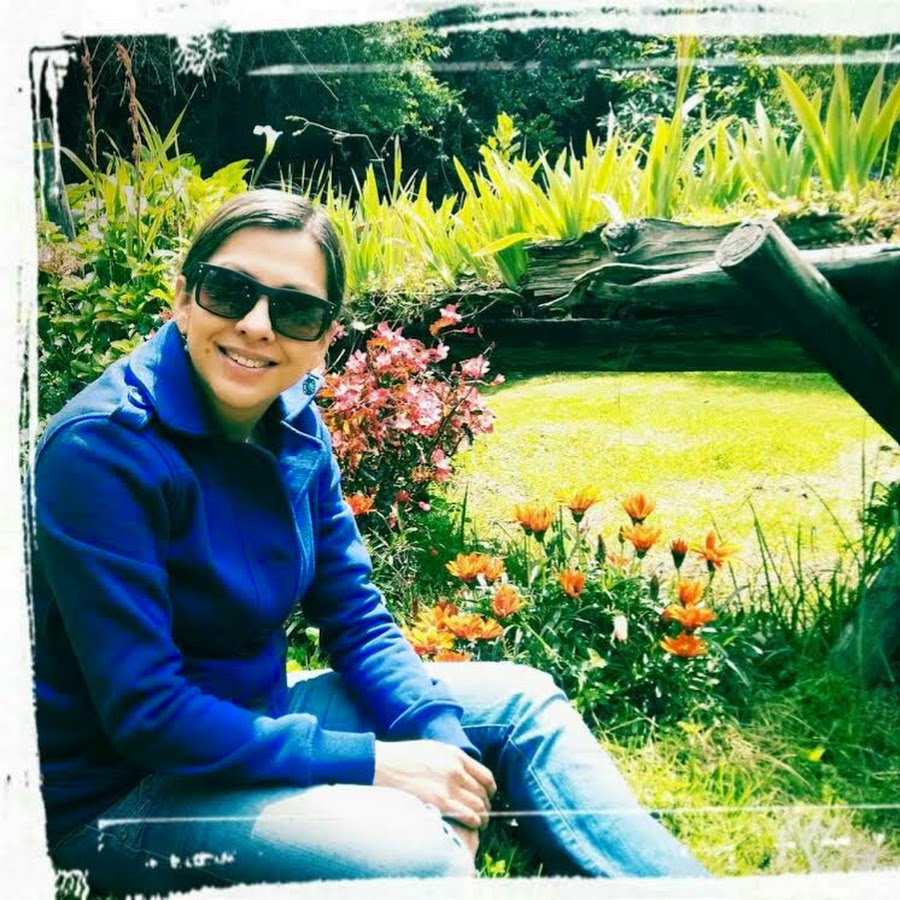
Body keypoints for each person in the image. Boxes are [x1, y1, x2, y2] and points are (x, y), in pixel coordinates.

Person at [31, 188, 709, 895]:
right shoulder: (103, 450)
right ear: (183, 297)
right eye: (229, 291)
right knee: (416, 850)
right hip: (125, 793)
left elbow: (354, 616)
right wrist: (380, 764)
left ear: (325, 337)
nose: (256, 326)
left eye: (295, 310)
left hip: (255, 715)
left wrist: (444, 749)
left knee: (523, 702)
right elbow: (147, 715)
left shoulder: (289, 418)